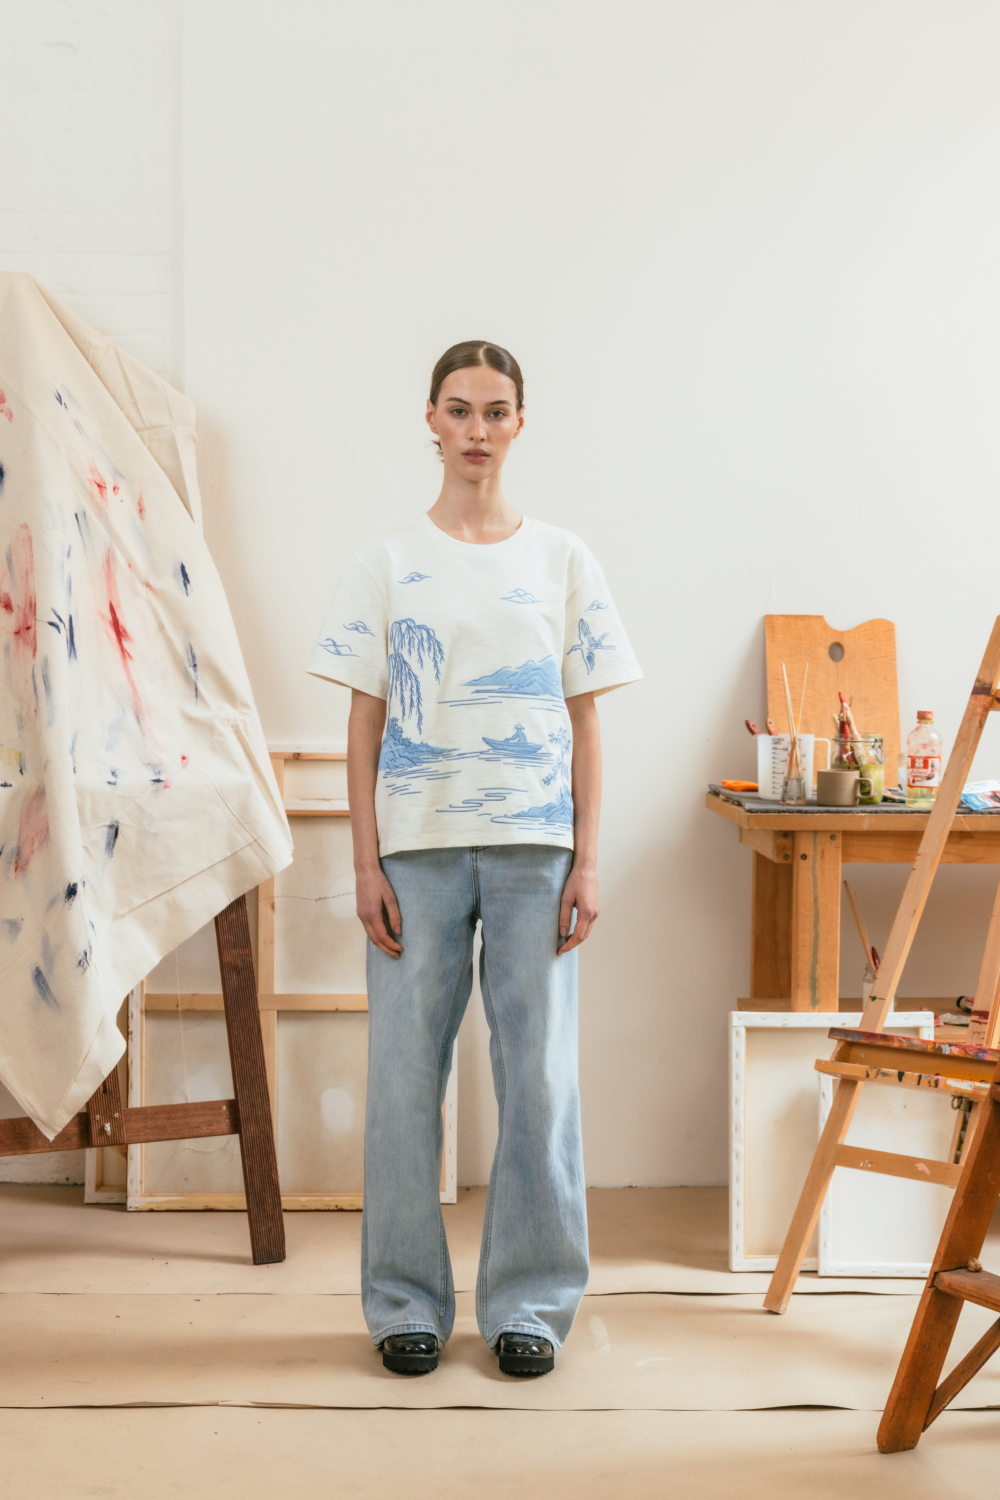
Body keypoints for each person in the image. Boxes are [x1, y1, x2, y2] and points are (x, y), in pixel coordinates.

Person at [306, 340, 641, 1376]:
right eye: (459, 410)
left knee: (538, 1080)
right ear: (430, 419)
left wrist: (589, 859)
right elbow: (363, 727)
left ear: (519, 423)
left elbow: (587, 725)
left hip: (539, 850)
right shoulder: (387, 562)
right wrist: (364, 864)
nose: (477, 430)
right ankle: (405, 1299)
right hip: (417, 851)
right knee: (407, 1079)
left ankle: (528, 1307)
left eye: (496, 411)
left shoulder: (562, 558)